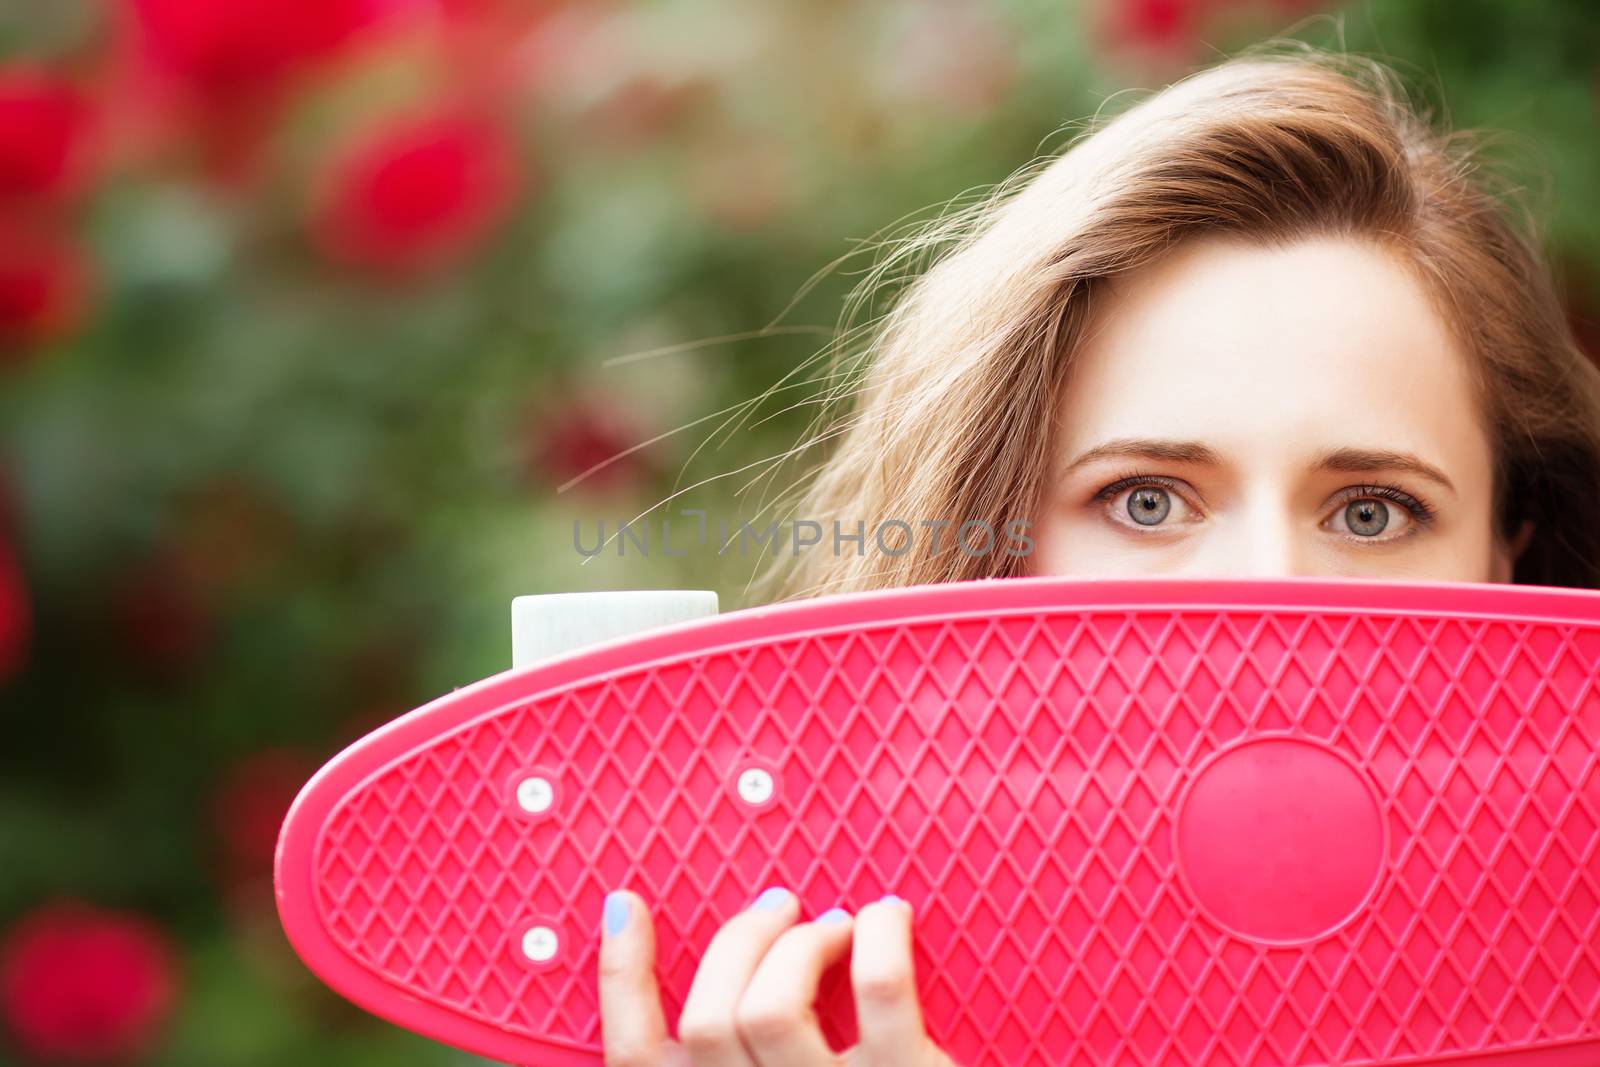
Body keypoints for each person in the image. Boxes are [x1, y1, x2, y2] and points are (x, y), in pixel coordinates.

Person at [592, 46, 1600, 1067]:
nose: (1262, 591)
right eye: (1147, 499)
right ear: (988, 540)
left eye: (1372, 511)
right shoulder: (785, 1004)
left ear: (1506, 556)